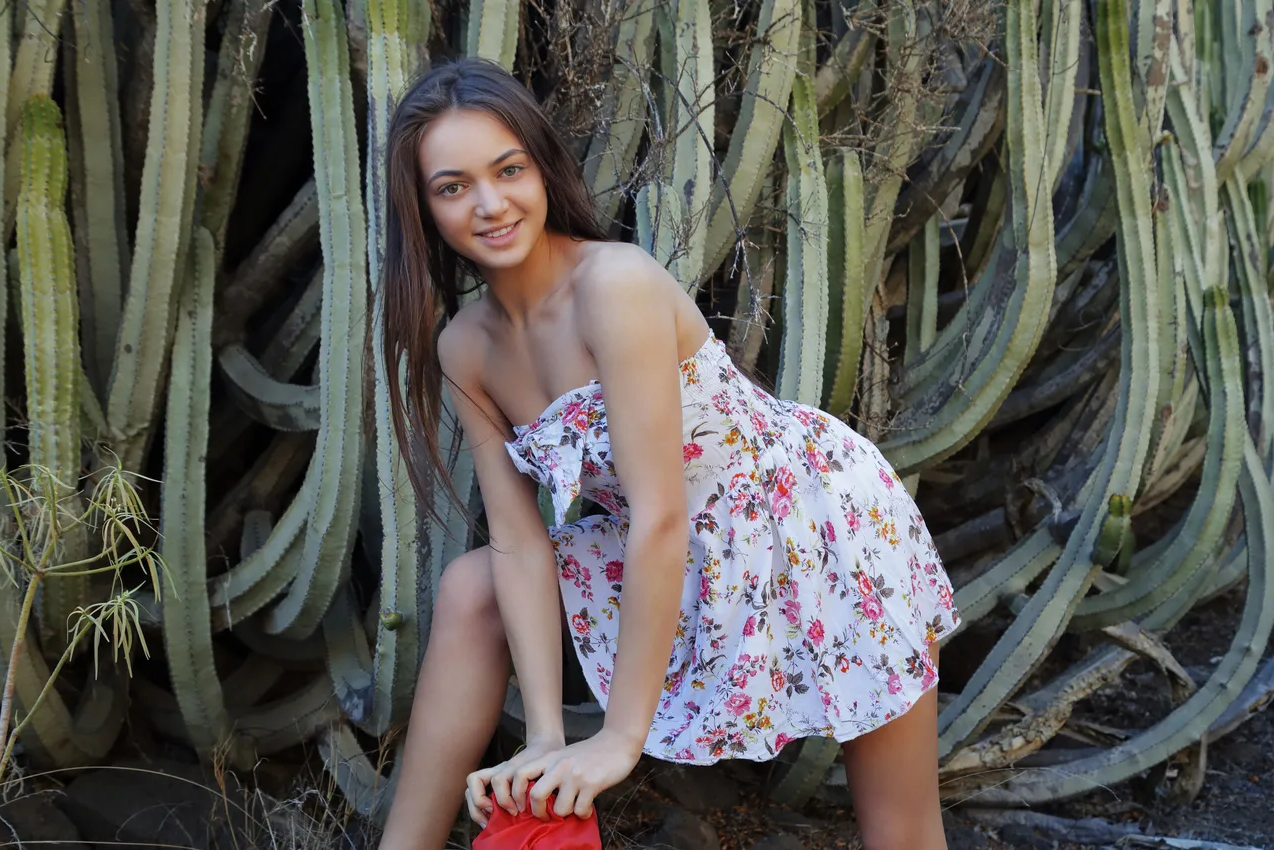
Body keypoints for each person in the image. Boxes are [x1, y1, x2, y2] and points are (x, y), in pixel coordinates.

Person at [372, 56, 960, 850]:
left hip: (810, 519)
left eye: (508, 170)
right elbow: (516, 541)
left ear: (540, 168)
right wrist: (545, 735)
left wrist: (617, 740)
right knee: (471, 583)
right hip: (675, 543)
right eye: (452, 187)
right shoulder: (465, 348)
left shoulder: (614, 284)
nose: (490, 204)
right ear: (423, 208)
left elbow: (659, 514)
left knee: (901, 829)